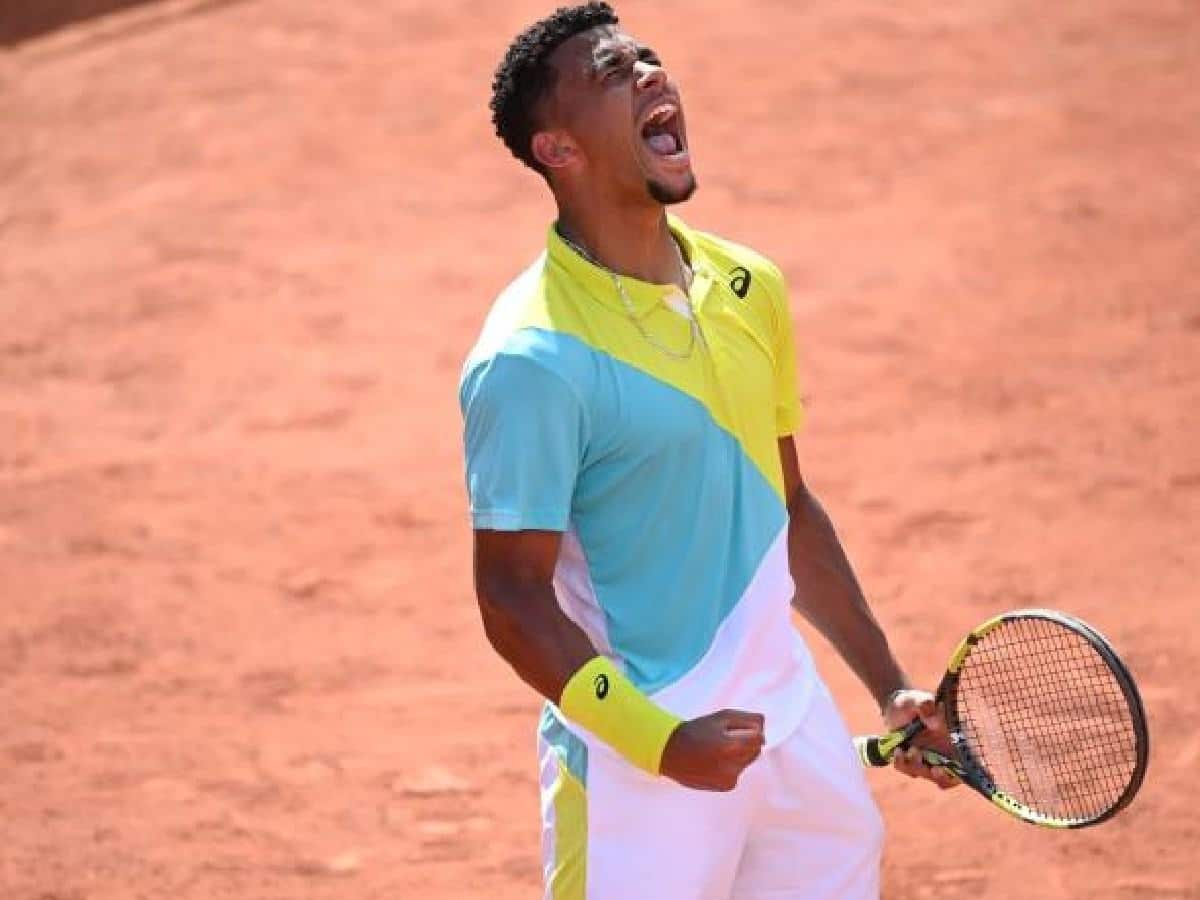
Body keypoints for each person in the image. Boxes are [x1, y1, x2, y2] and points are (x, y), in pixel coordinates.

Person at [459, 4, 958, 898]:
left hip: (791, 724)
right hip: (636, 772)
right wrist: (662, 742)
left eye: (648, 57)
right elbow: (509, 596)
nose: (651, 73)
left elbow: (787, 505)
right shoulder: (532, 360)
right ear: (558, 149)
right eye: (612, 73)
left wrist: (888, 687)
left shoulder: (745, 284)